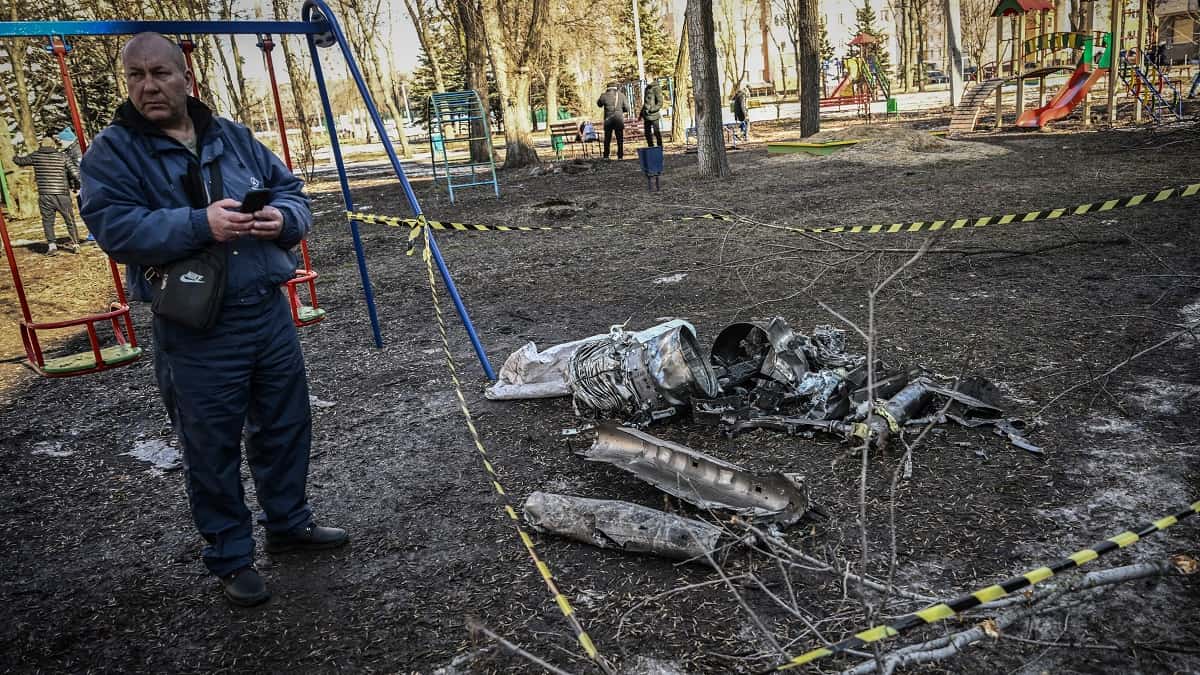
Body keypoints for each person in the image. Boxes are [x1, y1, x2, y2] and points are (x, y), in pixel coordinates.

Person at [79, 32, 347, 608]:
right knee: (211, 445)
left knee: (285, 424)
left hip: (266, 312)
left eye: (160, 73)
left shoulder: (231, 135)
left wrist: (283, 218)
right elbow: (115, 229)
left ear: (185, 77)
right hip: (196, 326)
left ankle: (289, 524)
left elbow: (293, 193)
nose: (148, 86)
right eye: (135, 76)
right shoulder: (114, 151)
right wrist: (200, 225)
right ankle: (230, 556)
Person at [13, 135, 82, 255]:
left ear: (41, 145)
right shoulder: (63, 156)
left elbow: (19, 161)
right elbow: (75, 174)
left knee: (48, 221)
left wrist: (13, 153)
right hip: (62, 194)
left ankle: (52, 247)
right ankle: (76, 245)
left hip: (45, 195)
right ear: (53, 145)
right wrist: (76, 187)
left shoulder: (36, 156)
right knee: (69, 220)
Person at [596, 83, 630, 159]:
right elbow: (627, 108)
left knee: (607, 139)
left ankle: (606, 156)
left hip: (608, 120)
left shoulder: (604, 95)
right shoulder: (621, 95)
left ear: (608, 88)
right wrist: (620, 110)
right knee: (619, 139)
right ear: (615, 88)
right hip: (618, 120)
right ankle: (620, 156)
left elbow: (599, 104)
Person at [641, 79, 664, 148]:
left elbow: (660, 102)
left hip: (654, 115)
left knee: (656, 132)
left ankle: (660, 147)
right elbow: (645, 103)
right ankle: (651, 147)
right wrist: (641, 113)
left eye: (647, 78)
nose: (646, 80)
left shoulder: (656, 88)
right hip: (646, 115)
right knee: (647, 133)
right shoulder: (646, 88)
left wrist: (652, 109)